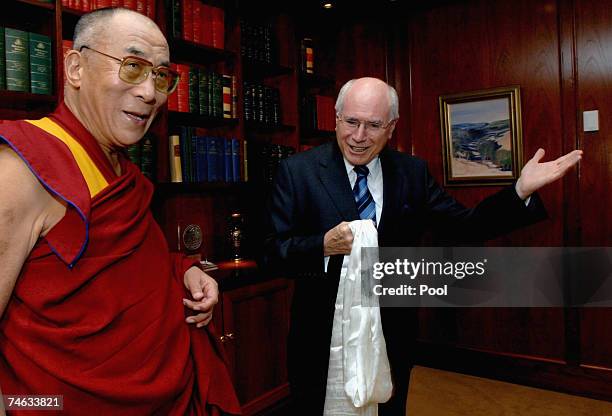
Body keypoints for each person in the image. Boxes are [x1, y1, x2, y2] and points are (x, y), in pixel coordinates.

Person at [264, 77, 583, 415]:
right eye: (352, 122)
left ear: (392, 127)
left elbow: (466, 225)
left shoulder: (411, 173)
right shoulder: (297, 172)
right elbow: (272, 252)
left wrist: (519, 190)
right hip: (321, 338)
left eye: (373, 125)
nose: (359, 137)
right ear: (337, 118)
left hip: (392, 335)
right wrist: (322, 246)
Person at [0, 8, 240, 415]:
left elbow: (117, 266)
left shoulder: (119, 171)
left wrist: (182, 269)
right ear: (75, 68)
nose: (150, 93)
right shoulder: (22, 169)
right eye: (133, 67)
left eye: (162, 76)